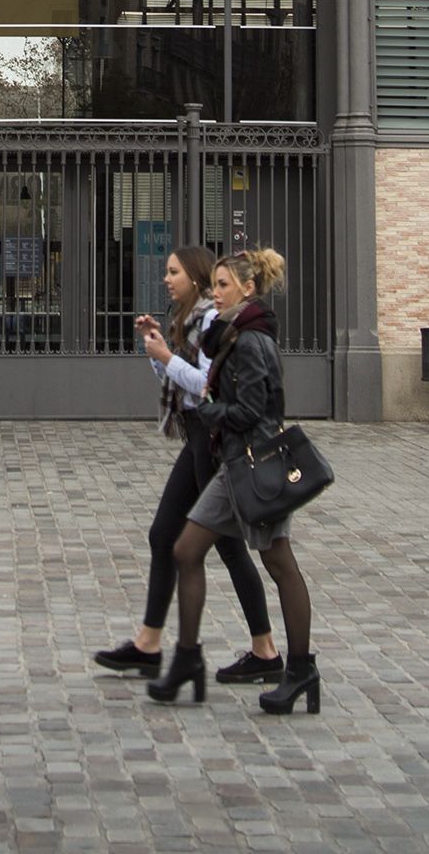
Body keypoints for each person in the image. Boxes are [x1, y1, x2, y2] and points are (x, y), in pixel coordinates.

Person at [92, 244, 280, 683]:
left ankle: (265, 650)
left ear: (193, 278)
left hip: (212, 442)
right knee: (164, 535)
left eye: (173, 272)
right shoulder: (189, 319)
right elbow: (179, 385)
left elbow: (205, 388)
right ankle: (149, 644)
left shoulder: (211, 321)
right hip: (196, 440)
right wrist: (157, 352)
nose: (166, 278)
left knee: (229, 547)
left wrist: (167, 359)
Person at [148, 246, 319, 715]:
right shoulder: (232, 334)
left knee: (280, 564)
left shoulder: (254, 340)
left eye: (223, 285)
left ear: (248, 288)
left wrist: (208, 407)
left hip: (257, 465)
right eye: (215, 284)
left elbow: (258, 410)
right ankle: (186, 659)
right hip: (232, 463)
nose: (215, 292)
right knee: (184, 548)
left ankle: (300, 668)